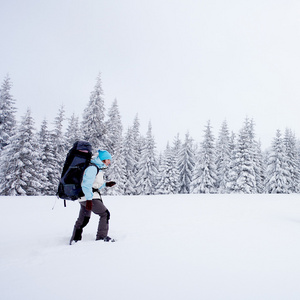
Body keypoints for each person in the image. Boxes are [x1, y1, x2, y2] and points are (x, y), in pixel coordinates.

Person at [69, 150, 116, 244]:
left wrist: (106, 184)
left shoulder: (96, 168)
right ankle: (101, 237)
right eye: (108, 160)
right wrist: (89, 200)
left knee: (84, 218)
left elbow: (94, 185)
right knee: (105, 214)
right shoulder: (92, 168)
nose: (109, 162)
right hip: (89, 197)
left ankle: (75, 239)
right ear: (103, 159)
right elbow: (86, 185)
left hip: (84, 197)